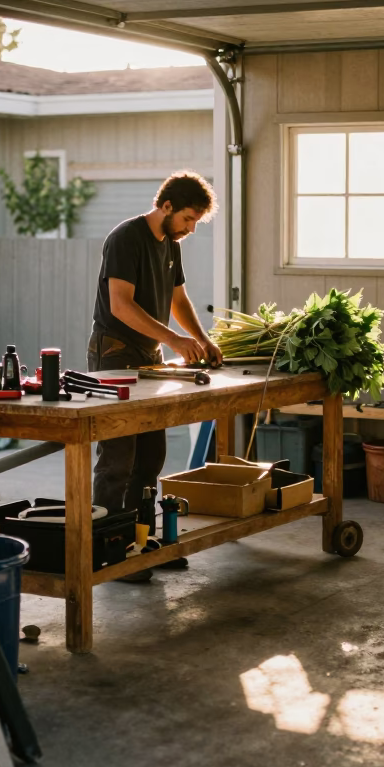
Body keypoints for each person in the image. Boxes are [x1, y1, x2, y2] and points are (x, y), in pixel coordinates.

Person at [87, 172, 222, 575]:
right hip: (114, 356)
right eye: (188, 219)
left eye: (197, 221)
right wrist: (175, 341)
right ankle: (110, 551)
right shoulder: (125, 239)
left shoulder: (170, 244)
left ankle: (142, 544)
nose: (191, 228)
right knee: (118, 460)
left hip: (149, 356)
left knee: (151, 457)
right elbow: (120, 306)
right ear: (166, 206)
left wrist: (201, 339)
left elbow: (179, 299)